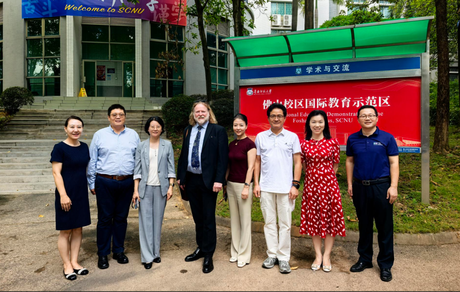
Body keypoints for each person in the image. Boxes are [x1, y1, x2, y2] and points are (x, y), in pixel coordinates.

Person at [346, 105, 399, 282]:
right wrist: (350, 183)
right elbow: (349, 161)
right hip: (361, 186)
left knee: (385, 227)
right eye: (363, 115)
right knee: (365, 225)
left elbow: (394, 163)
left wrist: (393, 186)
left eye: (370, 115)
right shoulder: (353, 138)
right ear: (358, 118)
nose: (367, 118)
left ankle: (385, 265)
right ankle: (365, 259)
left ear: (377, 118)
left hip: (381, 186)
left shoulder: (387, 138)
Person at [177, 101, 229, 274]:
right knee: (198, 218)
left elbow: (222, 159)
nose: (200, 114)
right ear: (193, 114)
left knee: (208, 219)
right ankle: (200, 247)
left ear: (208, 112)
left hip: (209, 181)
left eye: (203, 111)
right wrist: (181, 177)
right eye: (197, 111)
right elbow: (183, 155)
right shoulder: (187, 131)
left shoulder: (218, 131)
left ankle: (209, 254)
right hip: (191, 180)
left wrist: (219, 180)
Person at [87, 104, 140, 270]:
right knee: (104, 219)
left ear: (125, 117)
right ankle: (103, 253)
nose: (118, 117)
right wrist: (92, 182)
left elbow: (138, 159)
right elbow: (92, 159)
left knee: (121, 218)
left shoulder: (133, 135)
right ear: (108, 117)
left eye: (121, 114)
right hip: (105, 181)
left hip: (127, 182)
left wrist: (137, 184)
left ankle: (118, 250)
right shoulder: (100, 135)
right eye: (114, 114)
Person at [253, 103, 302, 274]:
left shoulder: (292, 137)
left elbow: (298, 162)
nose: (276, 118)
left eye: (279, 116)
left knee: (285, 224)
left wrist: (295, 185)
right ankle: (272, 254)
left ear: (284, 118)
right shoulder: (260, 137)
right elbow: (257, 161)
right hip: (266, 186)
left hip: (285, 188)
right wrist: (256, 183)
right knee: (269, 222)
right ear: (268, 118)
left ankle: (283, 257)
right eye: (273, 115)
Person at [299, 110, 346, 273]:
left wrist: (325, 177)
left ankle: (327, 255)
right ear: (308, 124)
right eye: (313, 122)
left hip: (329, 186)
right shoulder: (303, 144)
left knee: (330, 218)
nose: (317, 125)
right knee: (314, 219)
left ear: (325, 123)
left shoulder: (333, 143)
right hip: (311, 187)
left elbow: (335, 165)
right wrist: (315, 176)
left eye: (320, 122)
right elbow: (304, 166)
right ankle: (317, 255)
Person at [50, 116, 91, 281]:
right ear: (65, 128)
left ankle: (75, 261)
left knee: (78, 229)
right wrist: (63, 195)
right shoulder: (59, 148)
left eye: (79, 127)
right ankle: (66, 264)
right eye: (72, 127)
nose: (76, 130)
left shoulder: (84, 147)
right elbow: (56, 172)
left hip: (81, 193)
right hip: (65, 193)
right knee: (65, 230)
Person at [132, 116, 176, 270]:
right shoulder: (141, 146)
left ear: (162, 128)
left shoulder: (167, 145)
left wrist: (170, 186)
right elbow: (137, 170)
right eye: (152, 126)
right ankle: (147, 257)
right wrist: (135, 190)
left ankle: (155, 253)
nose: (155, 129)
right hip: (144, 188)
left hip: (161, 188)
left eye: (158, 126)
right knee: (145, 223)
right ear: (148, 128)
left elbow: (171, 168)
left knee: (157, 221)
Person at [225, 113, 256, 268]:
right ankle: (235, 251)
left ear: (246, 126)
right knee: (235, 221)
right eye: (235, 125)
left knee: (245, 221)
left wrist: (246, 186)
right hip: (230, 185)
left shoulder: (250, 145)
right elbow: (229, 166)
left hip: (243, 186)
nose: (238, 128)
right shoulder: (231, 144)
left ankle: (244, 254)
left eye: (241, 125)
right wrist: (224, 184)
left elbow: (251, 167)